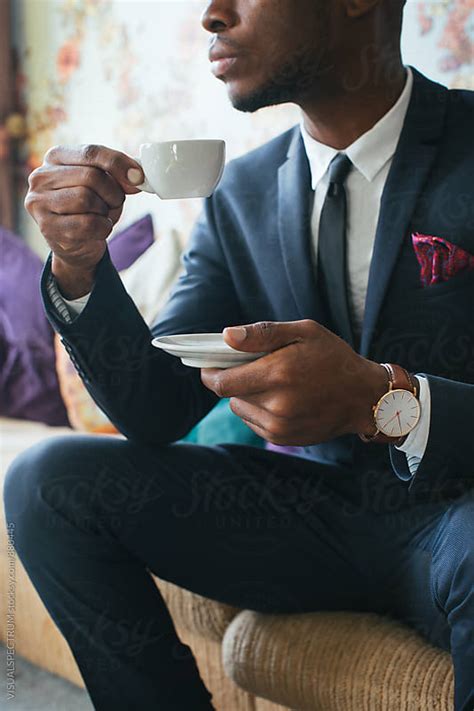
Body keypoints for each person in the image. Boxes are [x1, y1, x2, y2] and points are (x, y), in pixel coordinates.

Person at [4, 1, 474, 709]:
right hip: (311, 519)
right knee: (46, 481)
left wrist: (380, 400)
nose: (212, 15)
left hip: (458, 516)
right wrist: (78, 269)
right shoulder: (243, 193)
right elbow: (156, 409)